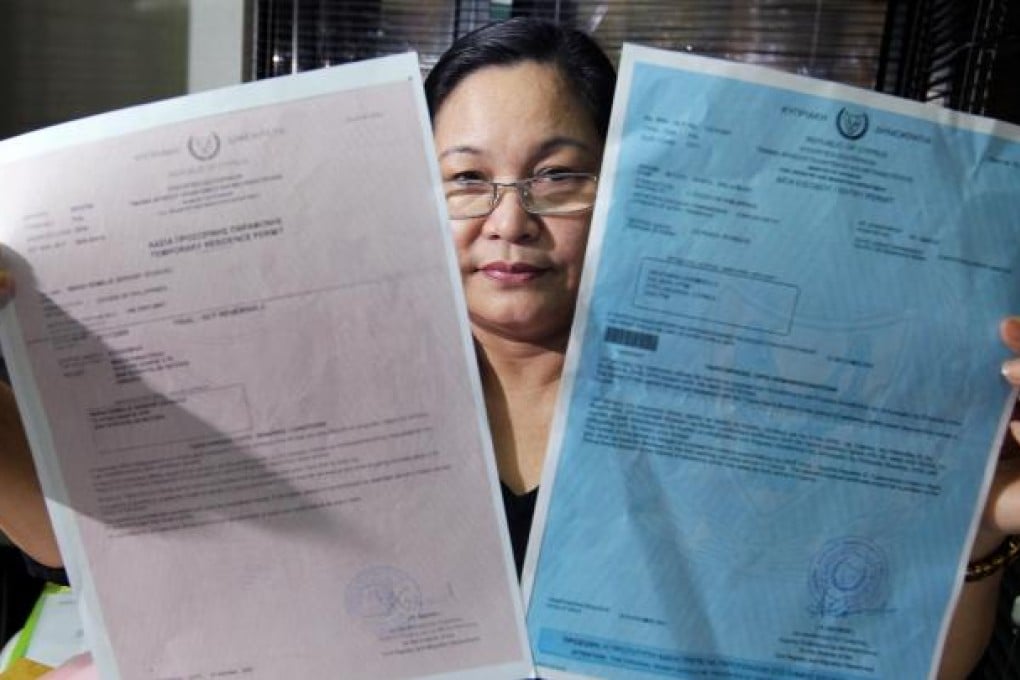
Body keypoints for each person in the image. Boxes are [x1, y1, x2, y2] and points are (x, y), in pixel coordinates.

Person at [2, 16, 1019, 680]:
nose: (508, 219)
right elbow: (75, 533)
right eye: (466, 178)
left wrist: (971, 525)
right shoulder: (338, 383)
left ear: (626, 186)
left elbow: (888, 651)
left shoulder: (721, 391)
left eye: (557, 175)